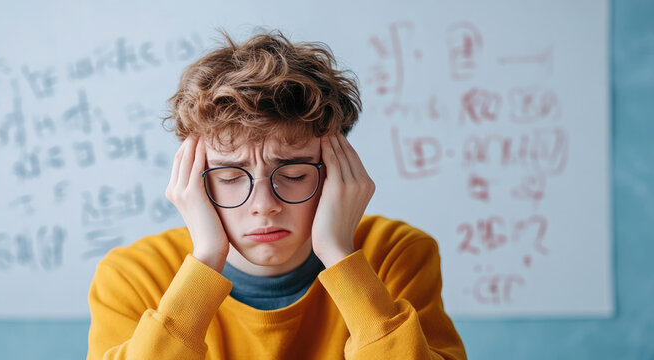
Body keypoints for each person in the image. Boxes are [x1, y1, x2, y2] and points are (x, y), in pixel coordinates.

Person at [87, 29, 467, 359]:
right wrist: (204, 262)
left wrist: (339, 255)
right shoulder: (133, 276)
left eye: (294, 174)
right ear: (192, 180)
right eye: (231, 176)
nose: (264, 206)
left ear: (337, 172)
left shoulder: (397, 254)